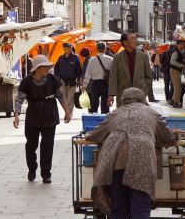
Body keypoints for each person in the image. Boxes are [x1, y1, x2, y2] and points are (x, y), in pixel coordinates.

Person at [86, 87, 179, 219]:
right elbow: (168, 137)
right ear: (143, 100)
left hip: (115, 160)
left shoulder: (115, 114)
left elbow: (93, 135)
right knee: (140, 205)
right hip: (141, 158)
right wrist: (175, 135)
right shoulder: (152, 114)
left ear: (124, 100)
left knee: (119, 204)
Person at [13, 55, 71, 184]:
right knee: (31, 145)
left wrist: (67, 112)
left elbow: (60, 96)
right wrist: (16, 115)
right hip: (33, 116)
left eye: (48, 66)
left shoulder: (52, 79)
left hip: (50, 115)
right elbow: (19, 99)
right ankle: (32, 169)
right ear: (37, 68)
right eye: (45, 66)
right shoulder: (26, 82)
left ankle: (46, 174)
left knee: (47, 146)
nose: (48, 69)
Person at [107, 31, 153, 108]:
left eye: (136, 38)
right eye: (132, 38)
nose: (135, 41)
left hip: (139, 95)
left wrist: (144, 91)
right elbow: (113, 77)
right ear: (125, 42)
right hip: (123, 95)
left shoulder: (143, 56)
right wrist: (111, 95)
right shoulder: (117, 57)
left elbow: (149, 76)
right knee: (123, 117)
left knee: (138, 117)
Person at [82, 41, 113, 114]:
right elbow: (113, 74)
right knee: (105, 106)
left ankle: (94, 121)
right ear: (105, 49)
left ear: (96, 49)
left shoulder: (92, 60)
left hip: (95, 84)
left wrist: (84, 85)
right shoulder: (110, 59)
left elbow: (88, 74)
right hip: (106, 84)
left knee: (94, 104)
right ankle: (105, 121)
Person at [54, 42, 82, 116]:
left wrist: (79, 79)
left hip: (72, 81)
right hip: (62, 81)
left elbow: (79, 69)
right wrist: (57, 77)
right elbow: (56, 68)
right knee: (63, 98)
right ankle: (67, 112)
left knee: (70, 98)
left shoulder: (75, 58)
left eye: (69, 48)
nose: (68, 49)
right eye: (67, 48)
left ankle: (69, 113)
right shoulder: (60, 58)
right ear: (64, 49)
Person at [169, 40, 185, 108]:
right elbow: (172, 62)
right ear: (179, 44)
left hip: (176, 70)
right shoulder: (175, 51)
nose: (184, 46)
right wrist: (182, 65)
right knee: (177, 87)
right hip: (174, 70)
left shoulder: (178, 51)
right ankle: (176, 102)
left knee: (177, 86)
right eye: (183, 44)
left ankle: (173, 100)